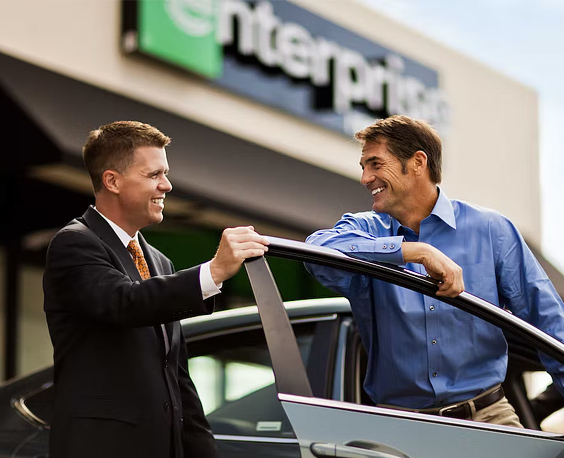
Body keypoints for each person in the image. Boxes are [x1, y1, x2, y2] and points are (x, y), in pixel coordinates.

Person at [306, 115, 564, 427]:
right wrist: (412, 251)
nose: (365, 178)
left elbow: (550, 325)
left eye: (375, 163)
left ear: (417, 162)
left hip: (490, 421)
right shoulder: (365, 229)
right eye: (364, 166)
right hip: (399, 429)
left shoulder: (492, 230)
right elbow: (318, 252)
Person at [43, 120, 269, 458]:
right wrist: (214, 271)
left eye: (165, 174)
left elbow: (176, 376)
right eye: (154, 175)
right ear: (112, 180)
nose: (167, 185)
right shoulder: (74, 243)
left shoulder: (160, 262)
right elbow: (126, 302)